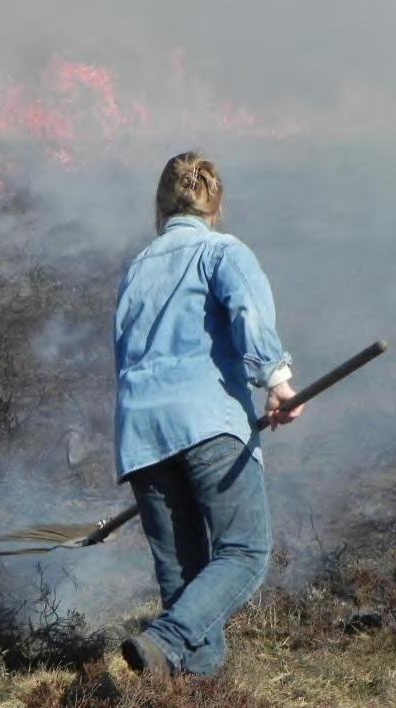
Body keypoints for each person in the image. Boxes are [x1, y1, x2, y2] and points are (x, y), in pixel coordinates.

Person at [113, 151, 304, 676]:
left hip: (141, 435)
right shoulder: (222, 251)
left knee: (184, 576)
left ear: (160, 205)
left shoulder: (136, 268)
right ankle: (164, 637)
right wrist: (278, 384)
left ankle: (198, 690)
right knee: (244, 552)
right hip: (207, 424)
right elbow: (249, 313)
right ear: (215, 205)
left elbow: (125, 354)